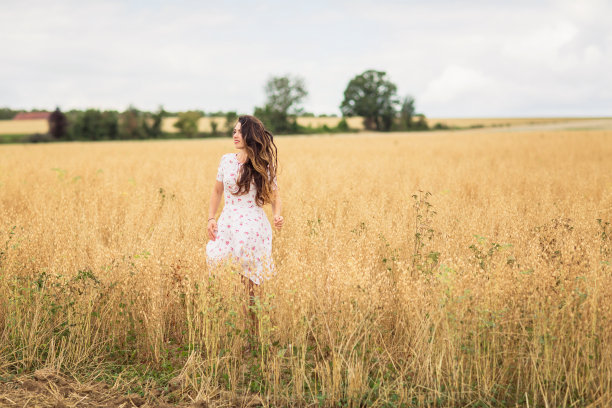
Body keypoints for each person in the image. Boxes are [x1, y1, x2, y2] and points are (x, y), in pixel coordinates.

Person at [206, 115, 283, 327]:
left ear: (250, 135)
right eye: (234, 131)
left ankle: (254, 325)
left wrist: (277, 215)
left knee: (249, 280)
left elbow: (275, 196)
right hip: (228, 223)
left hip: (252, 227)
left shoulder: (263, 165)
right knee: (224, 269)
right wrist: (211, 218)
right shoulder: (226, 160)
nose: (235, 135)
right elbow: (217, 191)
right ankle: (237, 321)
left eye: (239, 131)